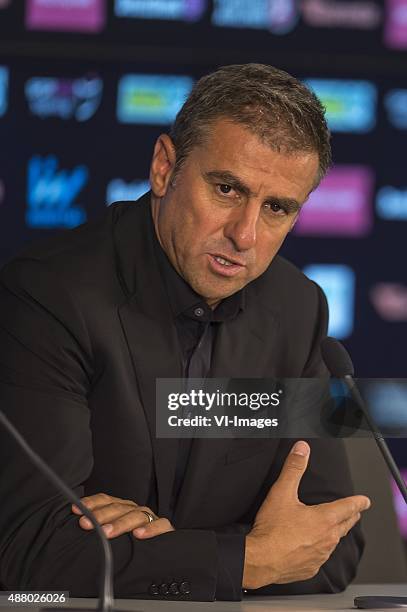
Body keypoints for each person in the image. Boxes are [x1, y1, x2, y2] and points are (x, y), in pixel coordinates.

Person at [0, 63, 370, 602]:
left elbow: (333, 543)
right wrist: (248, 558)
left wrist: (191, 553)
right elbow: (29, 548)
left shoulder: (296, 308)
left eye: (277, 208)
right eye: (226, 189)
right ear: (163, 167)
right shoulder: (50, 297)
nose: (244, 235)